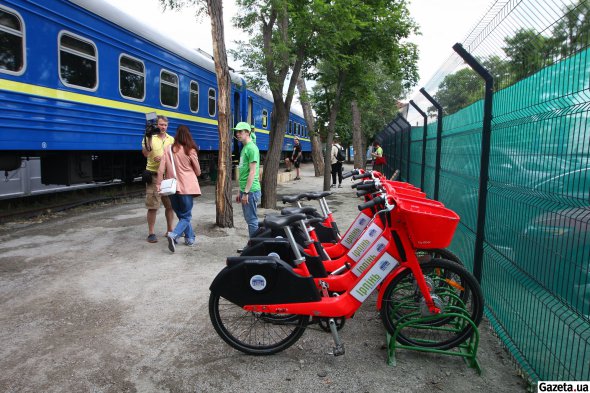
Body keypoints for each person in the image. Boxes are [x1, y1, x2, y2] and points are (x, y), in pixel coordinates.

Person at [156, 125, 201, 253]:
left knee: (181, 215)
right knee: (186, 216)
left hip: (172, 188)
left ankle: (190, 237)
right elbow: (198, 171)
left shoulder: (168, 149)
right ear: (188, 135)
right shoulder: (190, 150)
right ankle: (174, 235)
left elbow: (160, 170)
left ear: (176, 135)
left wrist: (159, 184)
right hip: (187, 188)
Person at [142, 115, 174, 243]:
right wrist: (149, 137)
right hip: (154, 175)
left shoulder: (171, 139)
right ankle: (151, 233)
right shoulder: (150, 137)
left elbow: (174, 156)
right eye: (161, 124)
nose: (163, 127)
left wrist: (165, 159)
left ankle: (170, 230)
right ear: (156, 125)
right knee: (153, 206)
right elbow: (146, 153)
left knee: (170, 206)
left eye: (165, 125)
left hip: (167, 177)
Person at [234, 122, 261, 238]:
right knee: (249, 219)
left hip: (251, 191)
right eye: (237, 132)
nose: (237, 134)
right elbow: (243, 171)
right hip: (246, 190)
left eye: (240, 132)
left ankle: (255, 248)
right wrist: (240, 191)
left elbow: (252, 172)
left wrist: (245, 193)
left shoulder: (252, 149)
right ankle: (253, 245)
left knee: (252, 220)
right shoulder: (245, 148)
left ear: (247, 132)